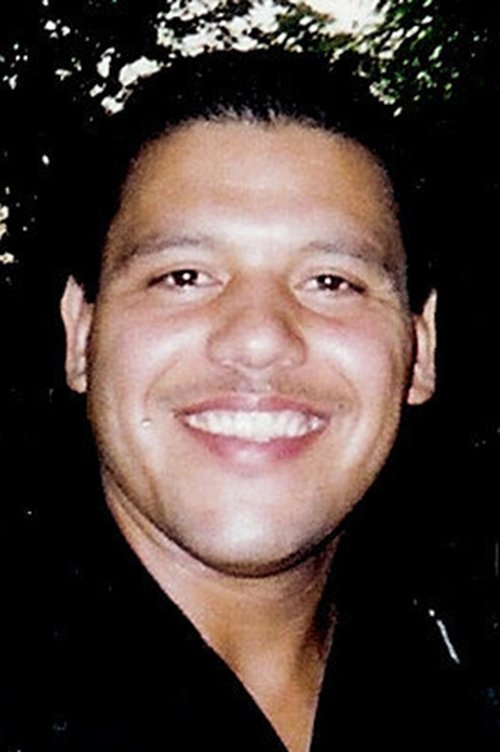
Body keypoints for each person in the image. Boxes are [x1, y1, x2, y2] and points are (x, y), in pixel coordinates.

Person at [1, 50, 494, 751]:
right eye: (184, 276)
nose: (260, 339)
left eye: (331, 282)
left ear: (422, 350)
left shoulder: (462, 676)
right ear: (81, 336)